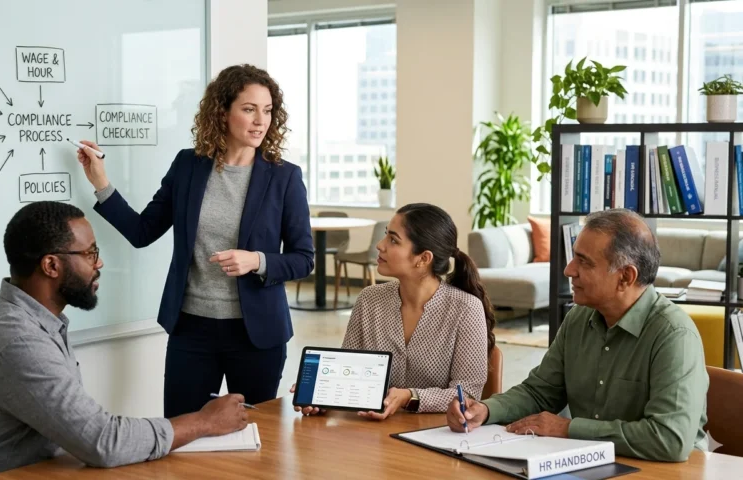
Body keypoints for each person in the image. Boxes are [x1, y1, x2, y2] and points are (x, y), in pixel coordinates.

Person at [0, 202, 249, 480]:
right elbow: (103, 441)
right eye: (90, 253)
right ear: (51, 265)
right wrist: (203, 422)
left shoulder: (31, 319)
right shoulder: (17, 339)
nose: (99, 263)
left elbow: (92, 435)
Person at [76, 64, 314, 418]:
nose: (260, 121)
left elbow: (303, 258)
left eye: (267, 111)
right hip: (192, 328)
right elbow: (143, 231)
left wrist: (257, 261)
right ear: (222, 111)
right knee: (180, 433)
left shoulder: (284, 177)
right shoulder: (188, 165)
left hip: (256, 335)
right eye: (249, 109)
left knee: (254, 434)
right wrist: (101, 183)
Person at [447, 209, 709, 462]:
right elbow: (540, 392)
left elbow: (670, 440)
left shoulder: (675, 335)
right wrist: (486, 409)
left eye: (584, 261)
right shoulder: (578, 318)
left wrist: (569, 429)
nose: (569, 270)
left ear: (625, 277)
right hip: (589, 462)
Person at [292, 203, 494, 419]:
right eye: (386, 234)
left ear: (423, 259)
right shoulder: (369, 299)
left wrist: (410, 396)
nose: (380, 245)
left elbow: (468, 395)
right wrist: (325, 394)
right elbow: (350, 372)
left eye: (393, 240)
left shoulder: (466, 308)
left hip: (435, 435)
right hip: (371, 436)